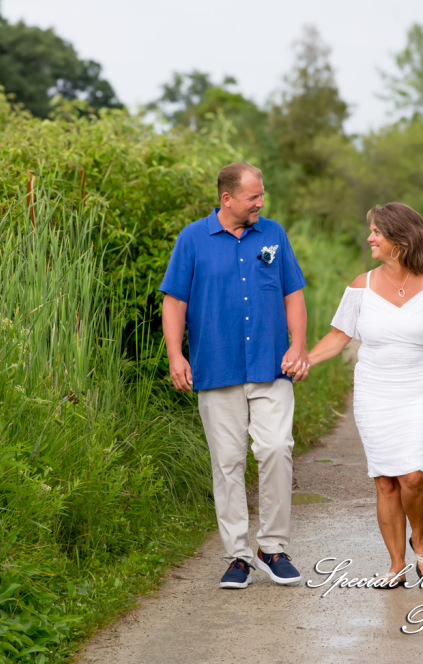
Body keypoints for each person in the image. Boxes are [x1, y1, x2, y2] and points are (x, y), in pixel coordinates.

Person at [301, 202, 423, 588]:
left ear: (400, 240)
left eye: (376, 232)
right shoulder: (360, 286)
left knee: (413, 475)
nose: (369, 238)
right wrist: (302, 361)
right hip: (375, 390)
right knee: (385, 479)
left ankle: (420, 540)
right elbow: (338, 337)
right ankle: (397, 564)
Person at [159, 162, 309, 589]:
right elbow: (174, 302)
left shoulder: (273, 234)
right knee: (227, 464)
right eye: (253, 197)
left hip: (271, 364)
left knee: (276, 448)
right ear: (227, 199)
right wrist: (176, 355)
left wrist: (298, 346)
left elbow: (292, 293)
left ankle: (273, 548)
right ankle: (238, 555)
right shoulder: (192, 239)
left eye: (261, 195)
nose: (260, 202)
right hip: (216, 365)